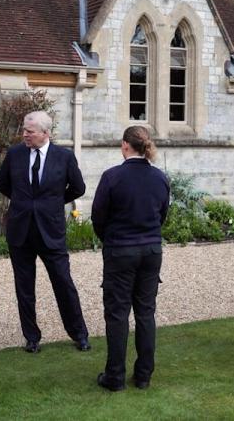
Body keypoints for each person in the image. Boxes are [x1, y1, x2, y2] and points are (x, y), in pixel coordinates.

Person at [0, 110, 91, 353]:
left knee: (63, 282)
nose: (24, 135)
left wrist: (52, 202)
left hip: (50, 230)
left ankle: (79, 333)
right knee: (24, 287)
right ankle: (32, 337)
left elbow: (78, 187)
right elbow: (3, 184)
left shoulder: (64, 157)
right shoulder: (16, 153)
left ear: (45, 133)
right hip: (20, 230)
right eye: (24, 130)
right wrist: (24, 204)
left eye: (30, 131)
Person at [90, 126, 170, 392]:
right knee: (146, 313)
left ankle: (115, 377)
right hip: (150, 251)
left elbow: (98, 218)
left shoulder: (112, 177)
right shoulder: (160, 178)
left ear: (125, 145)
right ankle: (144, 375)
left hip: (120, 251)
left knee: (117, 314)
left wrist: (111, 239)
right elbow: (162, 215)